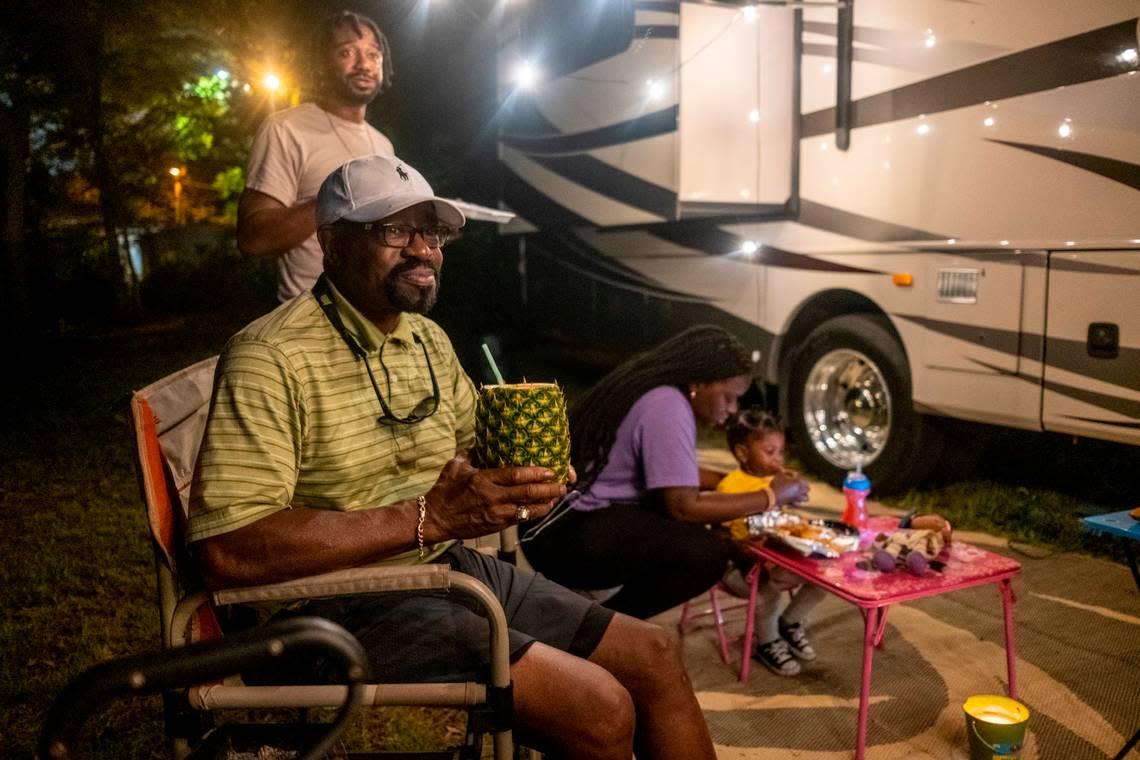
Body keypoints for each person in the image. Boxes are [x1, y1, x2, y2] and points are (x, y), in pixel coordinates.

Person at [189, 154, 717, 760]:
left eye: (432, 233)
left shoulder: (425, 339)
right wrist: (428, 518)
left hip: (442, 568)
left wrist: (528, 473)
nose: (423, 250)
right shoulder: (270, 357)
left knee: (655, 655)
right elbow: (226, 550)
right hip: (331, 608)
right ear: (332, 243)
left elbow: (477, 445)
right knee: (598, 706)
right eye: (395, 231)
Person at [522, 326, 812, 620]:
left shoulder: (658, 392)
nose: (733, 409)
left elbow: (672, 471)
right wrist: (771, 495)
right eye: (729, 397)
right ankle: (596, 629)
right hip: (560, 536)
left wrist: (737, 483)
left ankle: (597, 624)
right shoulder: (668, 405)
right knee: (705, 554)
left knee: (700, 531)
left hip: (555, 523)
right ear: (699, 381)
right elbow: (682, 505)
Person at [237, 10, 396, 302]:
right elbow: (254, 240)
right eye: (347, 52)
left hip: (375, 315)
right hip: (311, 319)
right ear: (321, 63)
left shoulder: (383, 145)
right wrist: (338, 196)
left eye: (373, 55)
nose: (364, 64)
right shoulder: (286, 128)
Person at [717, 408, 827, 676]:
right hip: (740, 567)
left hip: (777, 557)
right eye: (769, 451)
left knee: (824, 575)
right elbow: (731, 539)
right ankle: (766, 642)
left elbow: (784, 520)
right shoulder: (731, 487)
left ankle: (789, 622)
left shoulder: (776, 481)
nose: (777, 459)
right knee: (768, 591)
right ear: (743, 453)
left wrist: (795, 490)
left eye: (780, 451)